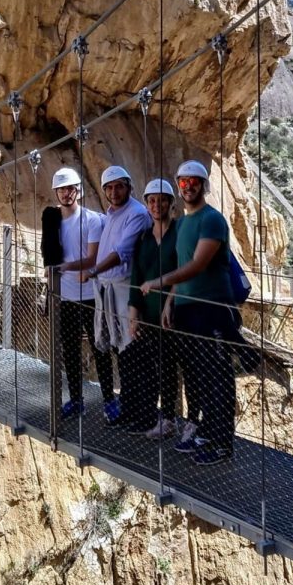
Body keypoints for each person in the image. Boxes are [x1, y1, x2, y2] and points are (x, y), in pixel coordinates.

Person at [140, 159, 236, 463]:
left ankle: (223, 444)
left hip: (213, 310)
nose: (189, 186)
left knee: (219, 377)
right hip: (187, 310)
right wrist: (170, 302)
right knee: (202, 376)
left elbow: (197, 265)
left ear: (204, 185)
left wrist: (158, 283)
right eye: (183, 182)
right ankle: (206, 433)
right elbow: (183, 267)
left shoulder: (212, 220)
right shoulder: (182, 224)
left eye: (194, 181)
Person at [82, 165, 151, 422]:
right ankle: (129, 407)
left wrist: (95, 270)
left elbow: (123, 250)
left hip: (124, 290)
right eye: (109, 187)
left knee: (132, 350)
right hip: (108, 290)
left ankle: (140, 412)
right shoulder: (110, 215)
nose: (114, 192)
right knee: (119, 349)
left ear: (129, 187)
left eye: (119, 186)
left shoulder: (137, 213)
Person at [45, 167, 112, 420]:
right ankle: (75, 399)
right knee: (70, 350)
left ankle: (109, 400)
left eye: (69, 188)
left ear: (78, 191)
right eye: (61, 189)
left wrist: (63, 267)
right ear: (56, 193)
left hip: (91, 295)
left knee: (100, 347)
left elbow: (92, 258)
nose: (65, 193)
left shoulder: (92, 220)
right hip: (66, 296)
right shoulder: (53, 223)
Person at [124, 178, 181, 435]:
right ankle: (151, 416)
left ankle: (171, 418)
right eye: (152, 201)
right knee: (150, 366)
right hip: (147, 314)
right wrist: (133, 316)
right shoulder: (144, 239)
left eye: (162, 200)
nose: (157, 205)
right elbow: (137, 278)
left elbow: (184, 270)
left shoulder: (180, 233)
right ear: (147, 205)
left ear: (171, 203)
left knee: (171, 366)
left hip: (173, 314)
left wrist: (170, 301)